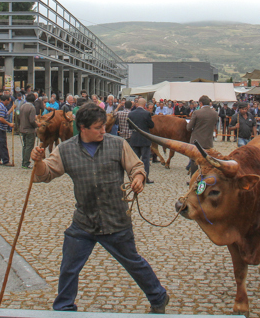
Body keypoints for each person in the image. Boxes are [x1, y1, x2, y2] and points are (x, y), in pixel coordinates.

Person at [30, 103, 169, 313]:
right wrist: (39, 161)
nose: (104, 131)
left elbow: (137, 167)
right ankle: (64, 308)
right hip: (84, 221)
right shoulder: (65, 149)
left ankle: (159, 297)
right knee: (69, 268)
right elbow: (45, 173)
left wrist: (138, 179)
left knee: (134, 262)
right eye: (98, 128)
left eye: (104, 126)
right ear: (82, 128)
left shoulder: (118, 144)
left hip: (116, 219)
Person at [127, 98, 155, 184]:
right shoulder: (146, 113)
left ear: (137, 104)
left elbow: (130, 127)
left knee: (135, 160)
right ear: (145, 104)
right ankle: (145, 178)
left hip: (134, 139)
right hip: (144, 138)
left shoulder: (131, 113)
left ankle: (133, 176)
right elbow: (151, 125)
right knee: (145, 159)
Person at [0, 94, 14, 165]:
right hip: (0, 128)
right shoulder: (1, 107)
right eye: (9, 101)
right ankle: (6, 161)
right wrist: (9, 124)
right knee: (3, 144)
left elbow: (5, 114)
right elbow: (1, 118)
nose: (9, 102)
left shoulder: (0, 106)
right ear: (6, 100)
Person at [19, 92, 38, 169]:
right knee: (29, 147)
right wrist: (36, 125)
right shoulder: (32, 108)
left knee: (25, 146)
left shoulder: (22, 106)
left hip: (22, 128)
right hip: (29, 129)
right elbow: (32, 120)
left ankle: (24, 161)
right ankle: (26, 162)